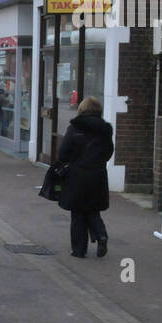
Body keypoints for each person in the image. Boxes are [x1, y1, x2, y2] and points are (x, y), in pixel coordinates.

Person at [57, 96, 114, 258]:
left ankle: (79, 250)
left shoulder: (75, 128)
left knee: (78, 213)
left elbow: (63, 153)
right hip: (98, 175)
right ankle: (101, 235)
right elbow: (109, 152)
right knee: (93, 210)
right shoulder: (105, 129)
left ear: (81, 109)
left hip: (77, 175)